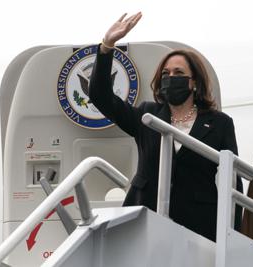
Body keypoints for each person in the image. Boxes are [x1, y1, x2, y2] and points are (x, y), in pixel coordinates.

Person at [88, 12, 243, 242]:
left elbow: (234, 184)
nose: (171, 77)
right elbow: (100, 96)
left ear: (194, 82)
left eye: (179, 73)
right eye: (166, 73)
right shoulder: (146, 115)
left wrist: (233, 236)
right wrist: (106, 46)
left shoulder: (220, 123)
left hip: (198, 227)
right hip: (145, 221)